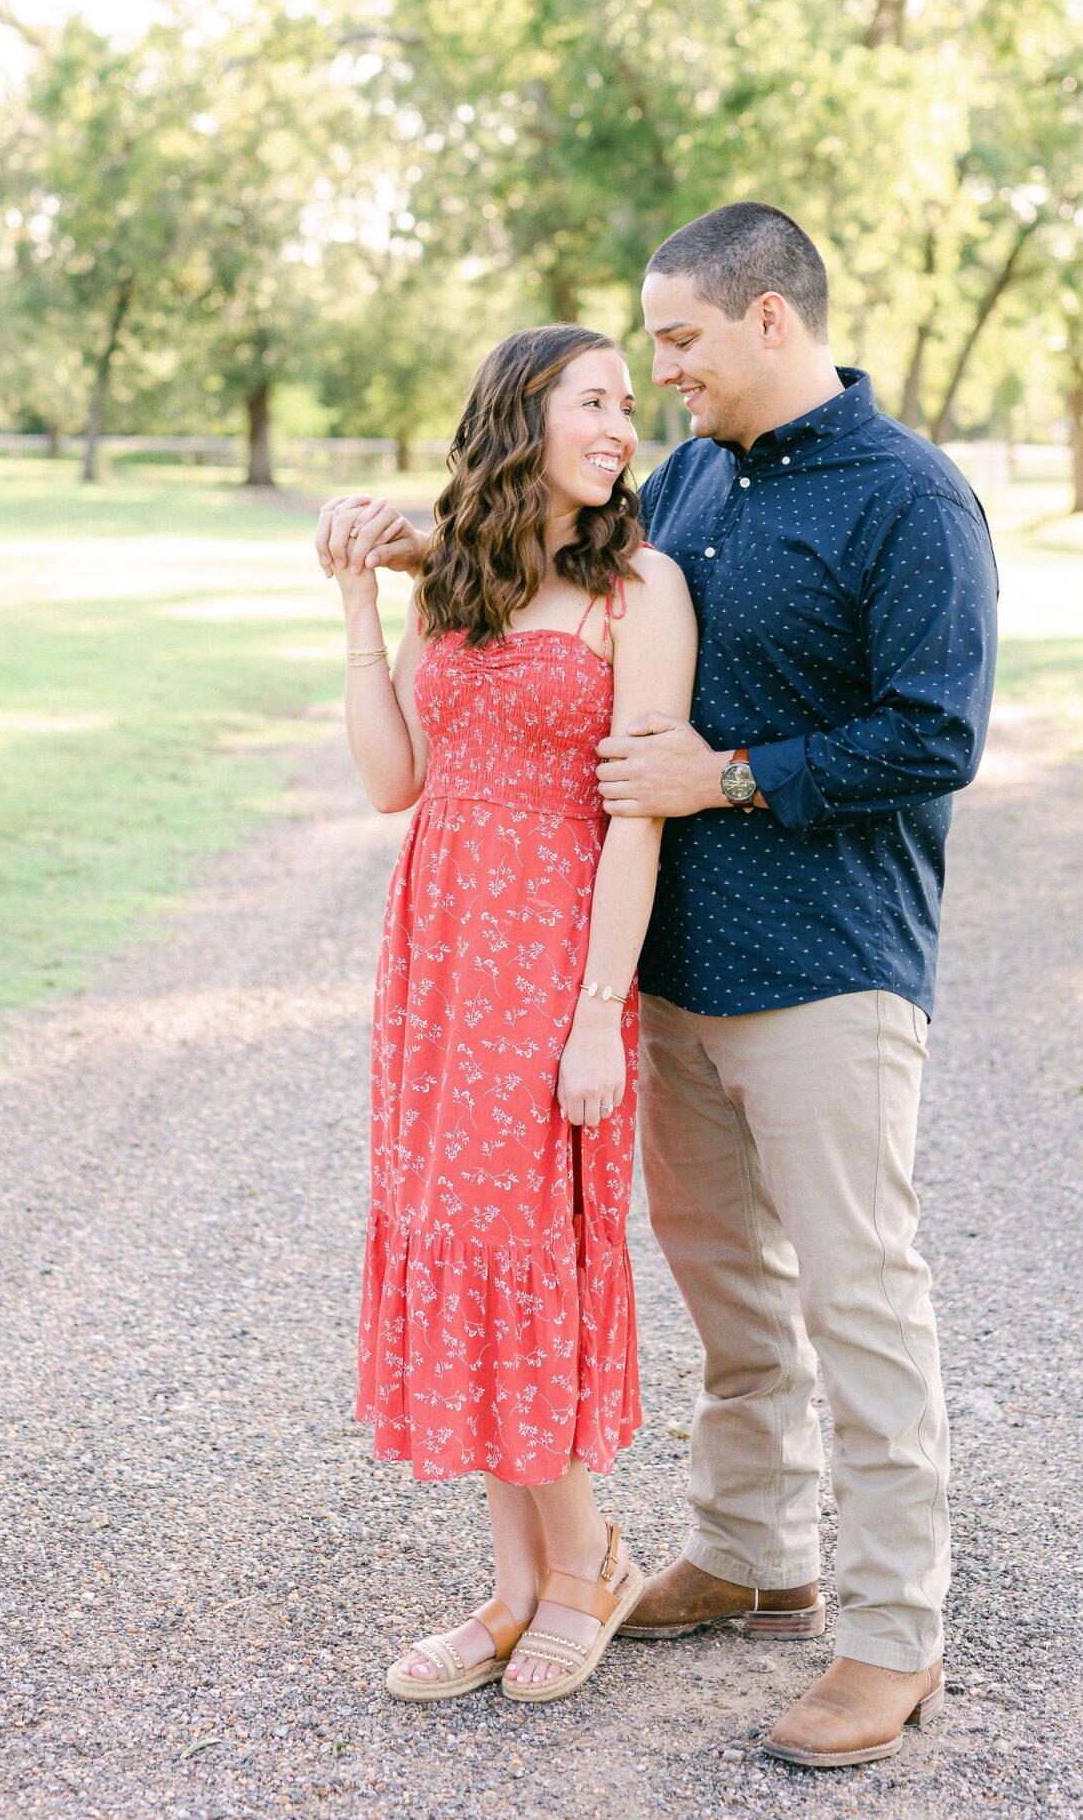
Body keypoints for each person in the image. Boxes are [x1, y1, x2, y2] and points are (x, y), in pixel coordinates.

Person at [323, 203, 997, 1769]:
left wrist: (732, 774)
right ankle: (755, 1556)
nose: (664, 375)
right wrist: (430, 552)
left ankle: (891, 1638)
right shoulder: (694, 479)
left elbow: (937, 733)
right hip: (675, 970)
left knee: (858, 1298)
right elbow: (569, 572)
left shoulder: (909, 498)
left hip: (828, 964)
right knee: (730, 1293)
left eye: (680, 342)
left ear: (771, 319)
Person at [319, 323, 697, 1708]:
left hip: (551, 960)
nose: (622, 426)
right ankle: (516, 1586)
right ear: (521, 417)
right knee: (458, 1241)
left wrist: (599, 1015)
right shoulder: (461, 583)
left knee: (521, 1245)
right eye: (594, 401)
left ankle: (589, 1562)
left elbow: (638, 819)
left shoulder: (639, 588)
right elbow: (393, 783)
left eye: (627, 404)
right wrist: (360, 609)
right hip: (437, 958)